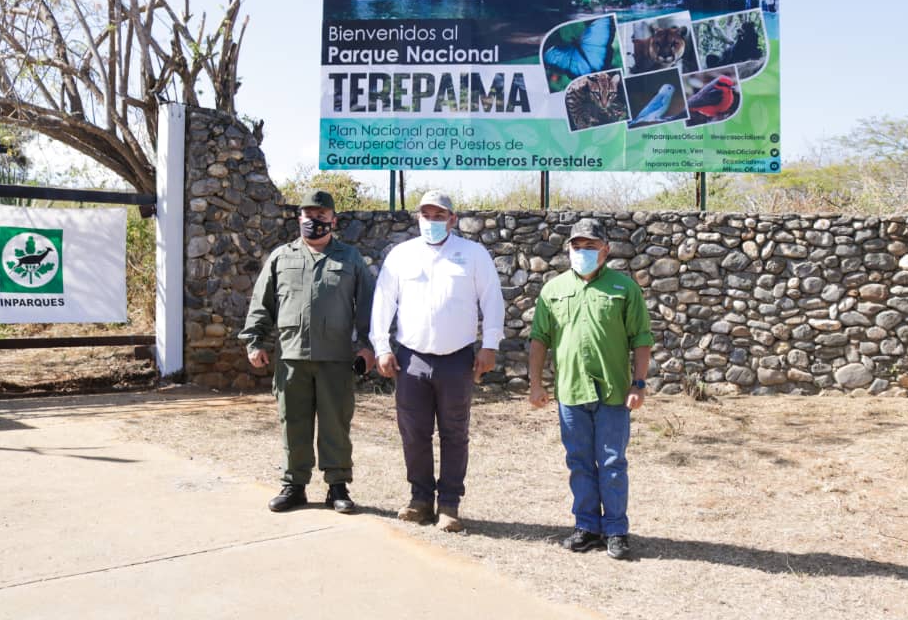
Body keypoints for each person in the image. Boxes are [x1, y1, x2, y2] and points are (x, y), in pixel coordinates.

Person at [370, 190, 504, 532]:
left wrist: (489, 345)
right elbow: (383, 302)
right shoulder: (401, 255)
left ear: (452, 219)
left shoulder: (473, 254)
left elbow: (492, 299)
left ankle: (449, 504)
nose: (431, 221)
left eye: (439, 215)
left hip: (457, 358)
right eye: (426, 215)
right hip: (411, 358)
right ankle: (419, 500)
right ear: (418, 218)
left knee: (454, 433)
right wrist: (382, 347)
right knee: (413, 432)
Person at [239, 189, 375, 514]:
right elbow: (262, 303)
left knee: (335, 425)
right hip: (291, 357)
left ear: (333, 220)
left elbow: (368, 305)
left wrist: (368, 346)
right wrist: (254, 342)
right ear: (299, 218)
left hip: (335, 358)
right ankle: (294, 486)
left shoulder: (350, 258)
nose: (314, 221)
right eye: (308, 215)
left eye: (321, 215)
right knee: (293, 423)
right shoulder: (281, 257)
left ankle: (337, 486)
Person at [528, 218, 654, 560]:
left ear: (605, 250)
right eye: (577, 246)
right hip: (571, 392)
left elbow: (641, 339)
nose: (582, 252)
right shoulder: (553, 290)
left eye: (590, 246)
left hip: (613, 392)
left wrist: (639, 384)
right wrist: (536, 384)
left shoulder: (624, 289)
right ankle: (586, 527)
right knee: (579, 462)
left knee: (612, 463)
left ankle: (615, 530)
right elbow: (539, 339)